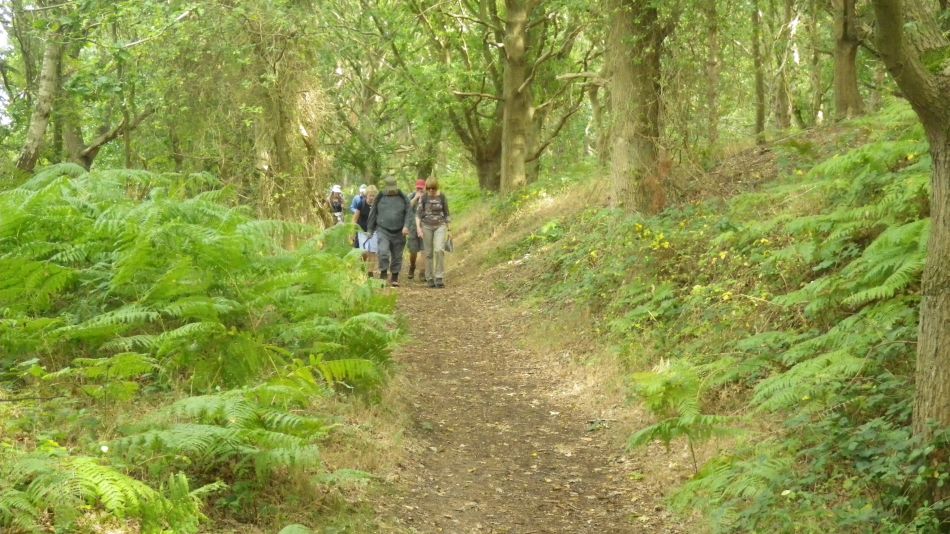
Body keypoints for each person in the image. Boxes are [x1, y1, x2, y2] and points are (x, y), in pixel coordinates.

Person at [367, 176, 413, 287]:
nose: (392, 191)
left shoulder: (403, 198)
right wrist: (370, 229)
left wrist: (406, 226)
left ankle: (394, 277)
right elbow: (373, 213)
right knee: (383, 252)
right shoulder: (380, 197)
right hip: (383, 230)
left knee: (397, 255)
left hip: (399, 231)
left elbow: (409, 213)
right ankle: (383, 274)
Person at [416, 177, 450, 288]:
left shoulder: (442, 197)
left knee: (439, 249)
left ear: (436, 187)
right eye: (429, 188)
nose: (431, 190)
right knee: (428, 253)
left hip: (440, 225)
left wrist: (449, 229)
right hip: (426, 226)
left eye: (433, 188)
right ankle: (429, 277)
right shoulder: (424, 197)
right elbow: (418, 214)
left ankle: (439, 277)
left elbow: (447, 214)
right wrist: (418, 228)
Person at [353, 185, 378, 276]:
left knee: (372, 252)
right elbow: (355, 218)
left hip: (374, 231)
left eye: (373, 196)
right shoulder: (361, 203)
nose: (372, 198)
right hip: (362, 231)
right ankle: (362, 268)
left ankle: (370, 273)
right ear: (367, 195)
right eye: (370, 195)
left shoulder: (377, 205)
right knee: (364, 252)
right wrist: (352, 232)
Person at [406, 179, 427, 280]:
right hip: (412, 228)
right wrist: (415, 198)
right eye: (418, 188)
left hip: (425, 227)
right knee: (413, 251)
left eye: (421, 188)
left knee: (424, 250)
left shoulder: (428, 197)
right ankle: (412, 266)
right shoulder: (411, 195)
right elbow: (406, 207)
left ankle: (422, 272)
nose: (420, 190)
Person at [350, 184, 368, 249]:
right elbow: (352, 207)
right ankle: (356, 247)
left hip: (366, 220)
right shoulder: (356, 198)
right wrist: (357, 211)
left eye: (364, 191)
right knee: (357, 234)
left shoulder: (368, 198)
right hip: (357, 219)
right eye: (362, 191)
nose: (363, 192)